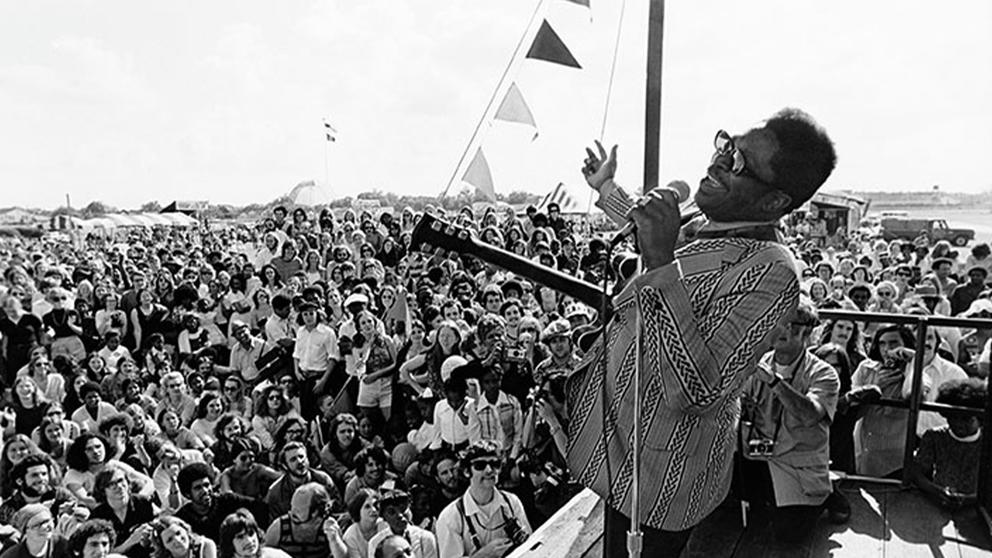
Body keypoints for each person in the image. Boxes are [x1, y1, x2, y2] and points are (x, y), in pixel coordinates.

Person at [574, 108, 836, 554]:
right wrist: (607, 190)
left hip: (664, 474)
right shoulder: (710, 211)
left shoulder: (772, 273)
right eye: (727, 145)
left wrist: (660, 265)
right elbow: (652, 228)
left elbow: (698, 392)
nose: (719, 161)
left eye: (739, 163)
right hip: (623, 443)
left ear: (774, 202)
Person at [738, 302, 845, 542]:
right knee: (735, 522)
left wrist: (775, 383)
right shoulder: (758, 360)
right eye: (774, 322)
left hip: (797, 464)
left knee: (789, 537)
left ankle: (828, 491)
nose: (779, 329)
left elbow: (810, 416)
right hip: (759, 455)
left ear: (808, 331)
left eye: (789, 324)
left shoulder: (823, 373)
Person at [435, 440, 530, 558]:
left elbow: (529, 545)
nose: (489, 470)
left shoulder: (511, 502)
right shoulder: (451, 517)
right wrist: (483, 555)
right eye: (480, 465)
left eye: (495, 464)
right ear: (466, 471)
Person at [910, 377, 986, 508]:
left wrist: (970, 499)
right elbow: (917, 472)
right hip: (937, 506)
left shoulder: (988, 444)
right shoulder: (934, 437)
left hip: (978, 510)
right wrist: (936, 491)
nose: (958, 424)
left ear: (980, 419)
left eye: (966, 419)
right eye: (953, 417)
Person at [175, 462, 265, 539]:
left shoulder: (229, 501)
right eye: (198, 488)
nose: (205, 490)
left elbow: (260, 508)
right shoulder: (182, 518)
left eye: (206, 485)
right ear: (187, 494)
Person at [90, 464, 156, 558]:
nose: (119, 486)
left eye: (121, 480)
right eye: (112, 484)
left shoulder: (142, 503)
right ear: (103, 490)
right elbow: (101, 554)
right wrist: (131, 541)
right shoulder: (98, 516)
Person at [266, 441, 341, 520]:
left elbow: (338, 507)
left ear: (307, 459)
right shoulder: (276, 492)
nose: (299, 461)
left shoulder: (323, 479)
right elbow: (278, 523)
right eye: (293, 459)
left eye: (301, 457)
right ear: (285, 466)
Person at [263, 483, 342, 558]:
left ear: (315, 511)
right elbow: (264, 554)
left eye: (299, 510)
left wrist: (334, 539)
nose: (292, 512)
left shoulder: (330, 528)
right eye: (292, 506)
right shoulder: (279, 527)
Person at [365, 489, 437, 558]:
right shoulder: (376, 542)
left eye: (403, 509)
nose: (399, 515)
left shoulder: (425, 538)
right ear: (384, 517)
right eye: (391, 512)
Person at [0, 503, 72, 558]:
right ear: (25, 531)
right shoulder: (11, 556)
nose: (44, 527)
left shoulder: (62, 545)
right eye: (37, 525)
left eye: (47, 521)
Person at [218, 510, 291, 558]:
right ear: (229, 542)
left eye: (251, 533)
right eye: (240, 537)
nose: (249, 541)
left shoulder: (276, 556)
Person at [149, 515, 217, 558]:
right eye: (169, 540)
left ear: (185, 530)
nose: (177, 540)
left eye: (178, 533)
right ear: (163, 546)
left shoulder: (205, 545)